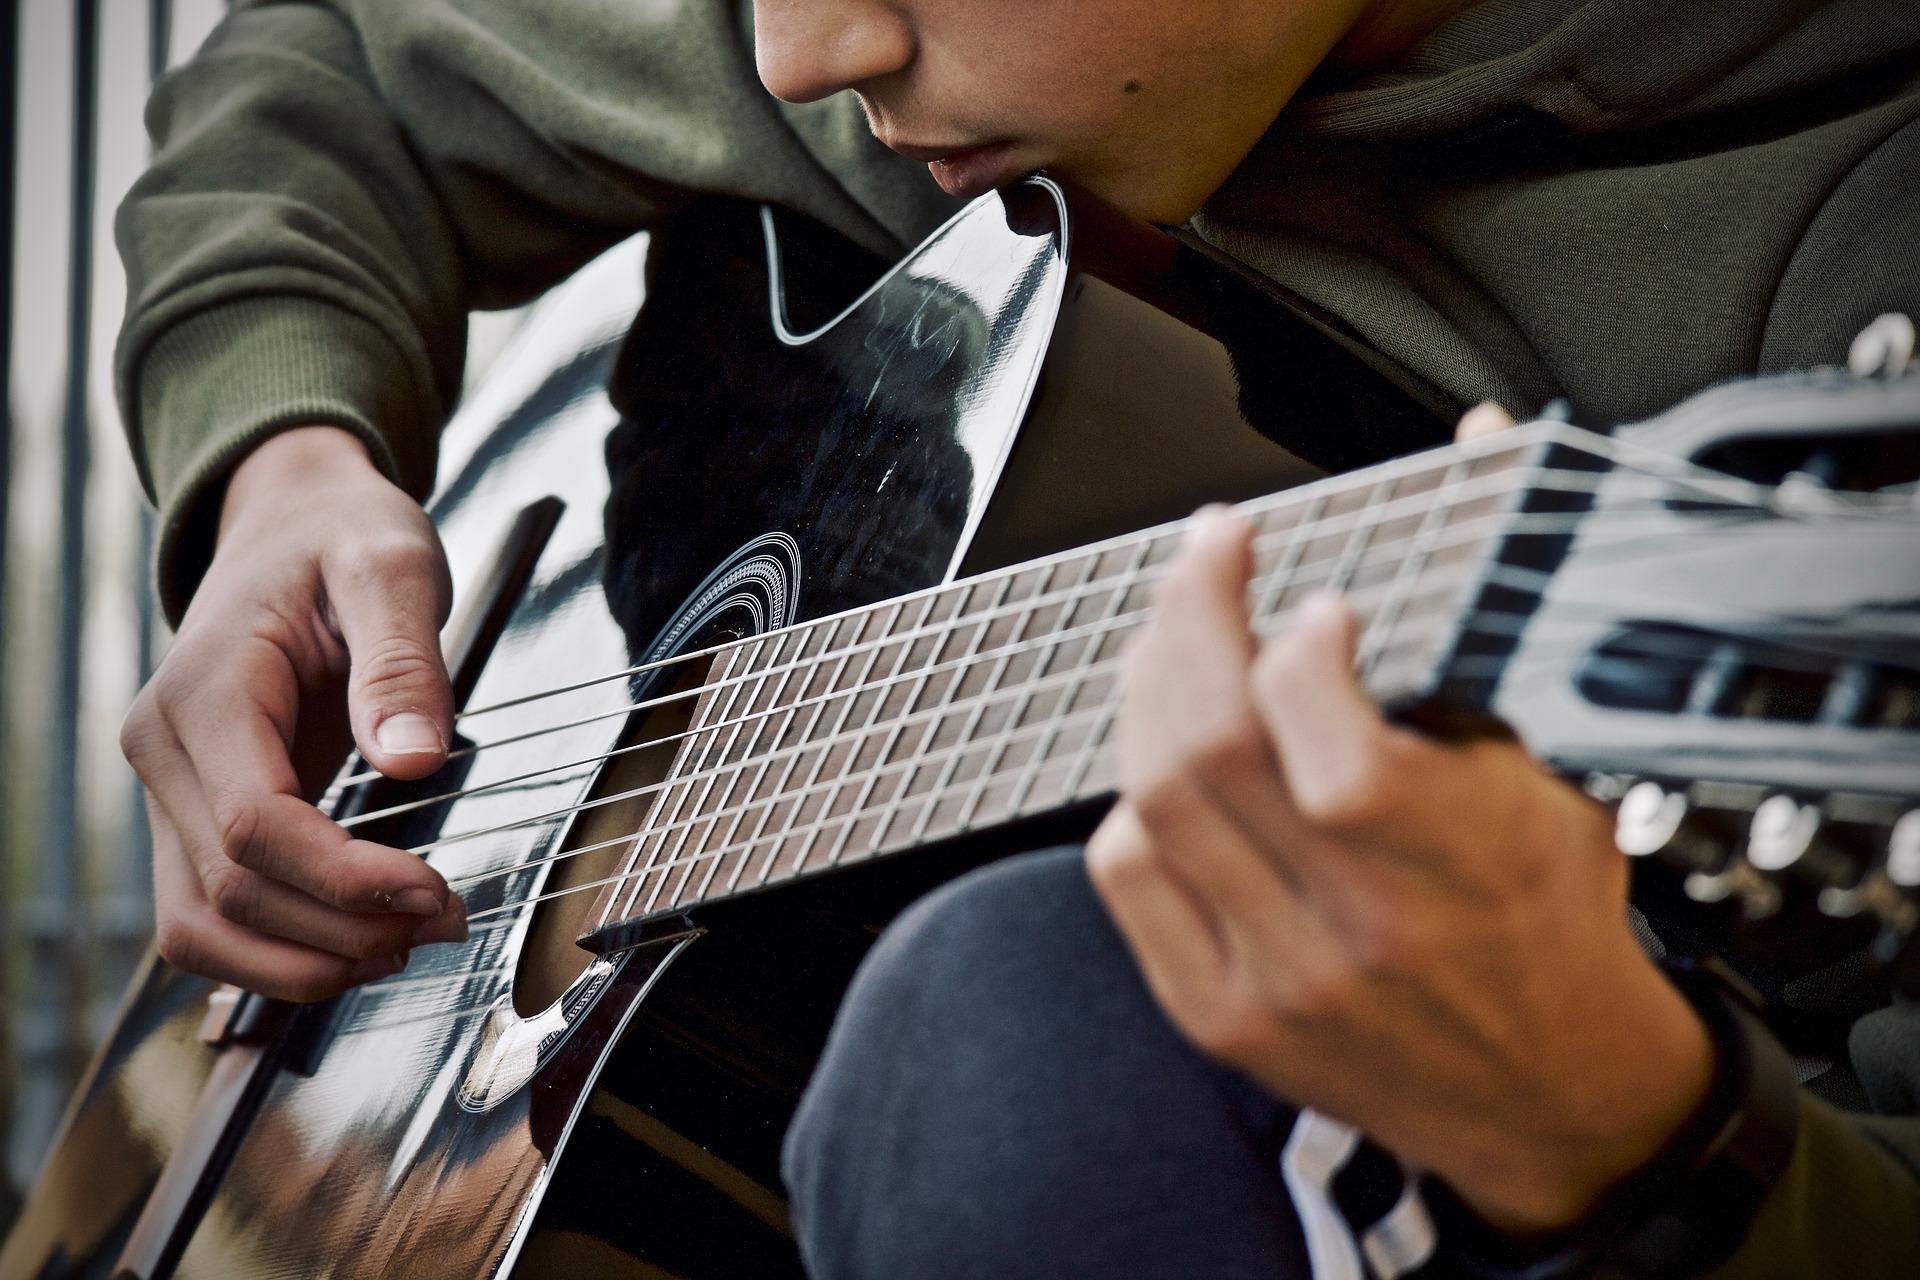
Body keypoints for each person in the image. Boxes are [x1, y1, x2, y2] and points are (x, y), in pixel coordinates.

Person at [111, 0, 1920, 1275]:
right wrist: (278, 466)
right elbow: (331, 60)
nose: (801, 53)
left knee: (1018, 1040)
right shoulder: (926, 53)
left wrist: (1627, 1132)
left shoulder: (1852, 230)